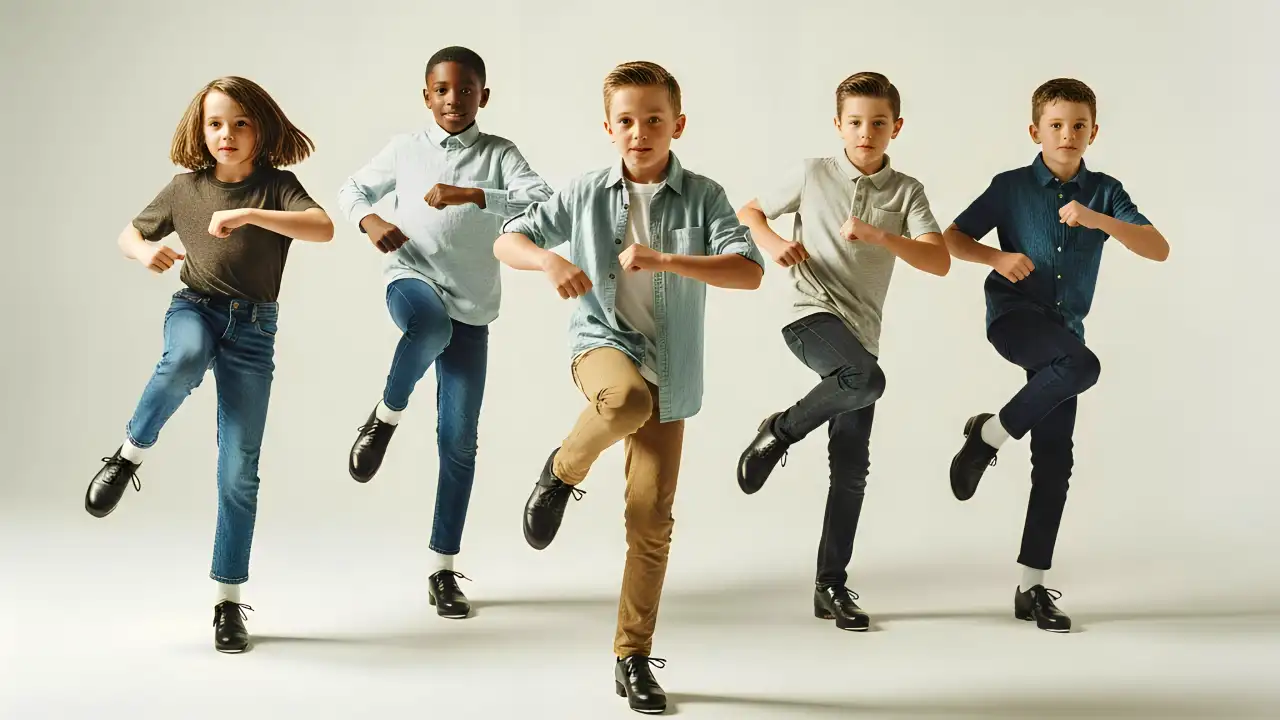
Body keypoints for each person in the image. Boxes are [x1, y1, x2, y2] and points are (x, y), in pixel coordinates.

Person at [493, 61, 764, 714]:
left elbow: (749, 271)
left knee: (651, 519)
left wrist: (667, 258)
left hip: (670, 370)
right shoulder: (586, 190)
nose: (639, 132)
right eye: (625, 120)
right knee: (627, 400)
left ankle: (632, 657)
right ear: (608, 127)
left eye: (653, 120)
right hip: (601, 346)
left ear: (678, 124)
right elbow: (510, 240)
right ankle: (561, 471)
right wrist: (550, 259)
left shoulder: (702, 196)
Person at [83, 76, 334, 653]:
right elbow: (129, 233)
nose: (227, 134)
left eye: (241, 123)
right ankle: (128, 455)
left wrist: (251, 215)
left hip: (254, 329)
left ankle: (227, 603)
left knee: (239, 469)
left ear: (261, 129)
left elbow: (322, 227)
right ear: (201, 130)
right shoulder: (184, 189)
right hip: (194, 307)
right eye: (216, 123)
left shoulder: (278, 187)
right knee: (185, 356)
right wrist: (147, 251)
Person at [944, 77, 1169, 633]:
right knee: (1082, 367)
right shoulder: (1011, 186)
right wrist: (997, 260)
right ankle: (989, 436)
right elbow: (952, 238)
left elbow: (1157, 248)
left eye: (1078, 125)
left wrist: (1098, 219)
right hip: (1017, 319)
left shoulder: (1105, 191)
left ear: (1093, 132)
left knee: (1055, 462)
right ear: (1035, 131)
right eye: (1056, 125)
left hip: (1065, 329)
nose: (1067, 134)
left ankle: (1031, 587)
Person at [337, 46, 552, 619]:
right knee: (427, 326)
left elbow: (546, 202)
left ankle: (443, 569)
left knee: (458, 442)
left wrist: (474, 194)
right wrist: (371, 219)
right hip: (411, 278)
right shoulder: (405, 151)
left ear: (484, 95)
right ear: (426, 95)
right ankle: (384, 418)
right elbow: (351, 190)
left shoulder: (500, 155)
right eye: (441, 89)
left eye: (465, 89)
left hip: (473, 307)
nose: (452, 100)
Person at [735, 72, 950, 632]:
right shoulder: (813, 173)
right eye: (855, 122)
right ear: (838, 125)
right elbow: (749, 212)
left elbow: (938, 260)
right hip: (810, 315)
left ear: (896, 127)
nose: (866, 132)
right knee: (867, 379)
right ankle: (779, 430)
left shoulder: (906, 192)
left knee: (851, 466)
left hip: (862, 337)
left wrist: (882, 236)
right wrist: (776, 243)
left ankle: (830, 586)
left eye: (878, 122)